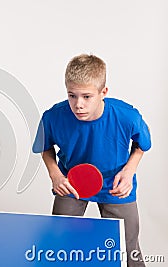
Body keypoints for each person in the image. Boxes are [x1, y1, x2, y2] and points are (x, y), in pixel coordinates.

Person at [32, 54, 151, 266]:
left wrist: (129, 171)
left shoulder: (127, 116)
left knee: (128, 248)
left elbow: (142, 145)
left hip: (115, 185)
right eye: (72, 96)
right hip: (71, 184)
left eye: (87, 97)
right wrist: (56, 175)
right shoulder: (53, 116)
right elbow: (45, 147)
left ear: (103, 93)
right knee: (59, 244)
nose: (78, 104)